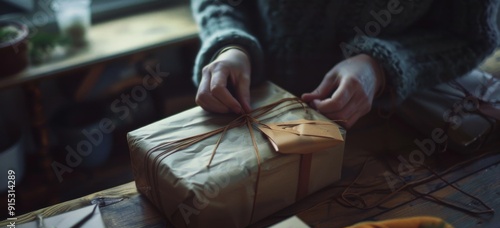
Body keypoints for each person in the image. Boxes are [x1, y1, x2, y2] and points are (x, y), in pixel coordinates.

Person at [190, 0, 499, 128]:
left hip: (390, 134)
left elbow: (470, 36)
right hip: (252, 111)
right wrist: (230, 45)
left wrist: (380, 66)